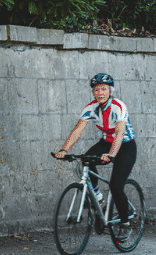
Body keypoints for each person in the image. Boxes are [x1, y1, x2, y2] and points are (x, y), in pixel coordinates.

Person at [54, 73, 138, 239]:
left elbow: (120, 133)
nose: (100, 92)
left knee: (116, 186)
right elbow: (78, 130)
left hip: (125, 146)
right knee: (86, 159)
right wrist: (64, 149)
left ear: (110, 91)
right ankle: (99, 199)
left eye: (103, 89)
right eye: (97, 89)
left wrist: (112, 154)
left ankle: (125, 224)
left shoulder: (118, 106)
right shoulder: (91, 108)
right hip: (106, 142)